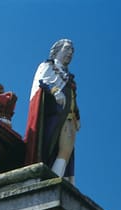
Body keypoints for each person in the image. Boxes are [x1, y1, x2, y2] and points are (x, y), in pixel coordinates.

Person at [24, 38, 80, 180]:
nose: (70, 53)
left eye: (72, 51)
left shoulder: (69, 79)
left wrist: (76, 114)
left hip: (67, 116)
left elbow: (72, 97)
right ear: (57, 50)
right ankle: (50, 179)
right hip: (52, 115)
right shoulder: (47, 66)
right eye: (67, 49)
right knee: (48, 147)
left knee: (65, 150)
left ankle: (56, 179)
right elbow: (42, 82)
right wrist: (54, 90)